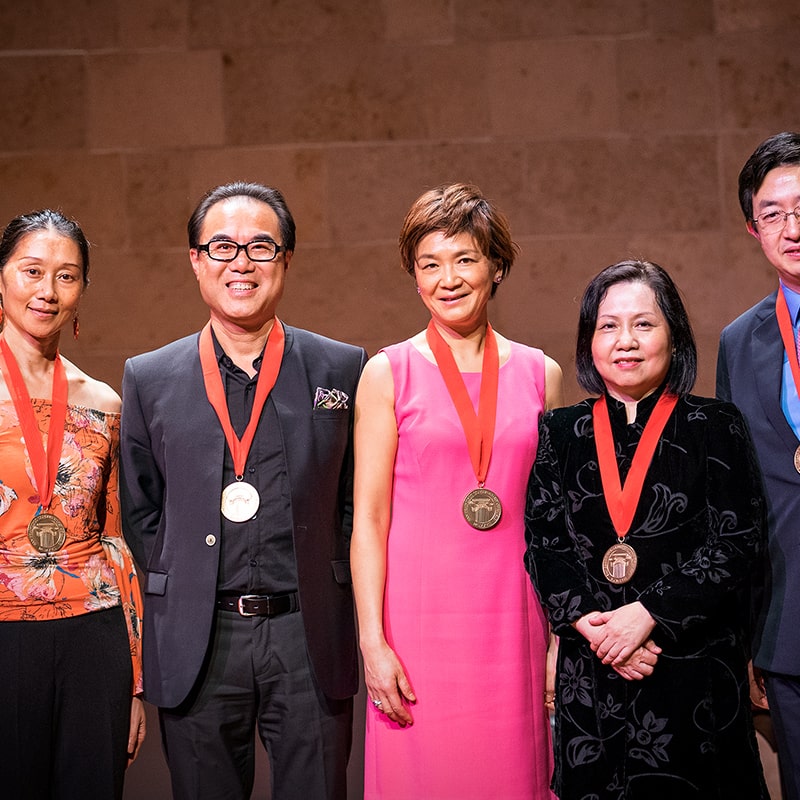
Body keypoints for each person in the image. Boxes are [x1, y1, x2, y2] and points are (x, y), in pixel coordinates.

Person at [120, 181, 367, 800]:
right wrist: (185, 582)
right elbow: (142, 511)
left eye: (261, 247)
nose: (242, 263)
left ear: (286, 259)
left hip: (308, 632)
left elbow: (354, 501)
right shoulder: (150, 378)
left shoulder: (342, 368)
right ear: (196, 260)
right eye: (222, 247)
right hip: (200, 638)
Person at [525, 259, 769, 799]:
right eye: (608, 326)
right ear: (589, 341)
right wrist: (597, 631)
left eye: (643, 324)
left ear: (674, 336)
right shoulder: (559, 431)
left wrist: (647, 614)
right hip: (593, 674)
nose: (626, 341)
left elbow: (736, 543)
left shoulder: (716, 424)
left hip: (693, 671)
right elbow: (545, 545)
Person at [351, 182, 563, 799]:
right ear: (414, 276)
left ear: (496, 266)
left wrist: (560, 638)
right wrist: (373, 642)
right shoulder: (388, 373)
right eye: (430, 264)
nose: (448, 279)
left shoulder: (541, 374)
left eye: (465, 259)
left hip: (516, 625)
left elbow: (556, 524)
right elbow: (369, 519)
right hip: (417, 629)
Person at [0, 209, 144, 798]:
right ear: (2, 277)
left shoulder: (103, 401)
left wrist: (134, 681)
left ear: (82, 289)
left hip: (94, 635)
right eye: (32, 271)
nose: (48, 291)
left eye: (66, 276)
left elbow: (115, 540)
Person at [717, 130, 800, 799]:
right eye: (772, 214)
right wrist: (746, 634)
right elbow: (735, 500)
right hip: (788, 625)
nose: (792, 229)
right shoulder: (739, 343)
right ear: (754, 228)